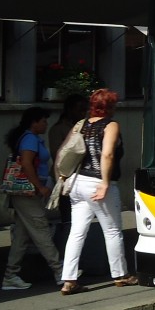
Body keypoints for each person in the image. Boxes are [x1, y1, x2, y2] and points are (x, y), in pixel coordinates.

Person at [60, 88, 138, 294]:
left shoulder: (81, 125)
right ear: (110, 107)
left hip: (78, 182)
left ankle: (69, 279)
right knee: (112, 230)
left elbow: (65, 151)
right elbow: (108, 154)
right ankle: (120, 275)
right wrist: (104, 182)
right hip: (98, 181)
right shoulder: (111, 125)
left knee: (77, 232)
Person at [1, 107, 63, 290]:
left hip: (23, 192)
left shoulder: (29, 138)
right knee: (41, 229)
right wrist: (40, 187)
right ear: (34, 122)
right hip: (28, 193)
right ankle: (60, 271)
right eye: (43, 120)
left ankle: (10, 275)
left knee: (22, 236)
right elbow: (27, 164)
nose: (46, 124)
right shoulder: (30, 139)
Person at [47, 93, 89, 251]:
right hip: (67, 178)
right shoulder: (59, 129)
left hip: (82, 177)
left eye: (85, 110)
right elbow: (58, 156)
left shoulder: (83, 126)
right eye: (79, 110)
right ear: (70, 110)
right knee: (68, 217)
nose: (83, 113)